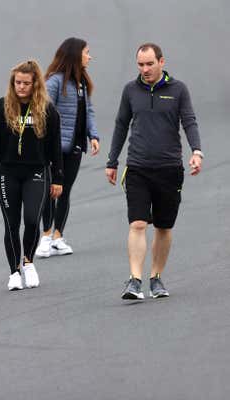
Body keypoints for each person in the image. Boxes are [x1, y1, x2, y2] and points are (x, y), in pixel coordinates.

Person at [106, 43, 203, 300]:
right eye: (140, 64)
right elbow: (120, 125)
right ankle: (135, 280)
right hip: (137, 167)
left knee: (163, 226)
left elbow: (189, 121)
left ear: (161, 62)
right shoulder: (130, 90)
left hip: (169, 169)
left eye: (150, 64)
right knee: (137, 223)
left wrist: (196, 151)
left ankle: (156, 278)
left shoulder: (178, 90)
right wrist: (112, 161)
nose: (145, 69)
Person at [0, 60, 64, 291]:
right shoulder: (0, 108)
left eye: (26, 83)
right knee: (11, 224)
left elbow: (55, 147)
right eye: (17, 82)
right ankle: (14, 271)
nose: (21, 87)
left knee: (32, 220)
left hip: (36, 171)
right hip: (7, 172)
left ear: (35, 84)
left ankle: (28, 262)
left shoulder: (47, 110)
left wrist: (58, 178)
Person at [36, 37, 100, 258]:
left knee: (65, 191)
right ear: (75, 54)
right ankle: (44, 237)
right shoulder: (54, 81)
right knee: (50, 191)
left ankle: (57, 237)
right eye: (87, 52)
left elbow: (88, 110)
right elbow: (44, 113)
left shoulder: (81, 82)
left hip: (75, 147)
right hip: (55, 149)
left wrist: (93, 135)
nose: (90, 57)